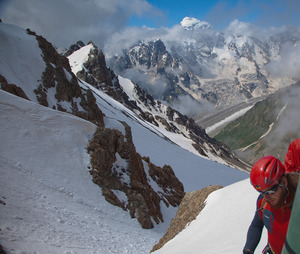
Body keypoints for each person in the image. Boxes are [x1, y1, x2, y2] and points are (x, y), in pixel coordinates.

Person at [243, 155, 299, 254]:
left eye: (270, 191)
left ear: (284, 182)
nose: (266, 197)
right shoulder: (263, 202)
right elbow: (256, 225)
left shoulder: (297, 205)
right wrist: (248, 250)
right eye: (261, 192)